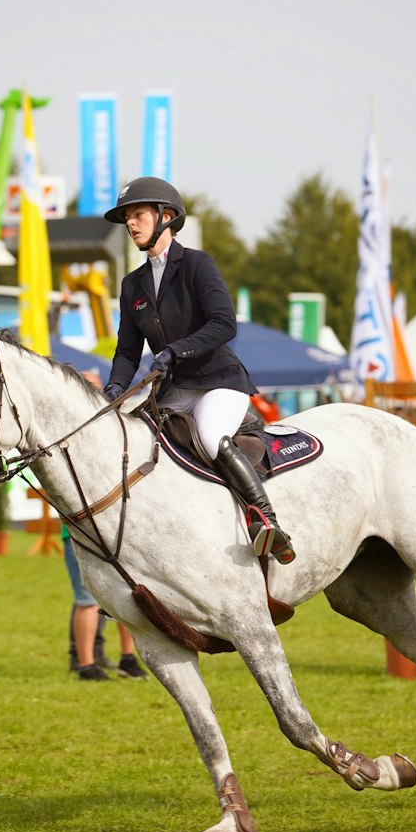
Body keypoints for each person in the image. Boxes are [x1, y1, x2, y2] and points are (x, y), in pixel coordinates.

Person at [102, 177, 295, 564]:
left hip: (218, 382)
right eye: (127, 218)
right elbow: (126, 351)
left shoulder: (196, 264)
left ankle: (264, 518)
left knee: (209, 436)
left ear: (166, 217)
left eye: (138, 215)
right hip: (173, 390)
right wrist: (113, 391)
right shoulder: (131, 285)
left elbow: (225, 323)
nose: (131, 224)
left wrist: (176, 350)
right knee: (132, 443)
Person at [63, 525, 147, 681]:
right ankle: (86, 666)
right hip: (79, 533)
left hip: (115, 531)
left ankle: (127, 660)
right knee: (87, 601)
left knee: (126, 594)